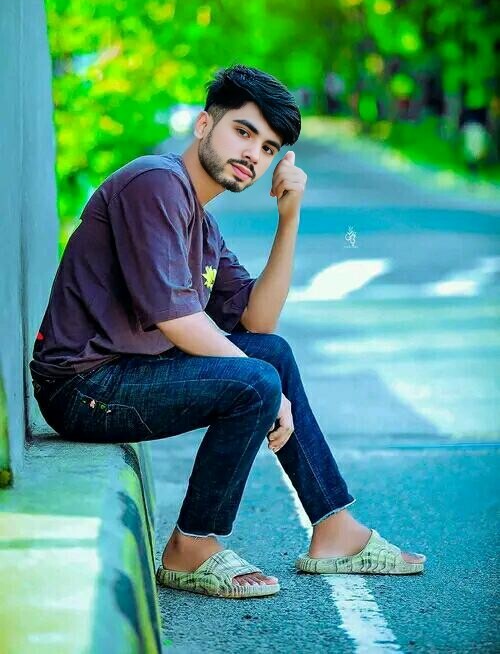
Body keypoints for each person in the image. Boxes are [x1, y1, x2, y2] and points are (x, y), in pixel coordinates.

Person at [30, 64, 426, 599]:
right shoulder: (155, 183)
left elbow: (258, 322)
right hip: (83, 386)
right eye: (243, 132)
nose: (253, 154)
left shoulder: (201, 221)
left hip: (129, 370)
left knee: (271, 355)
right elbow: (177, 319)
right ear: (203, 125)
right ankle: (192, 546)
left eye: (267, 148)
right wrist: (269, 390)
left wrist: (290, 218)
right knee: (258, 380)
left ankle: (334, 528)